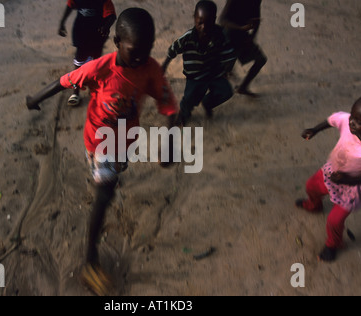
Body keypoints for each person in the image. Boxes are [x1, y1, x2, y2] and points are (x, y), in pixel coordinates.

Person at [26, 8, 179, 295]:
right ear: (117, 41)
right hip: (99, 142)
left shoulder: (150, 69)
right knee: (105, 193)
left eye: (147, 50)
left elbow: (169, 105)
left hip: (124, 143)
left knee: (114, 174)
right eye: (135, 50)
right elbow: (65, 81)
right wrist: (34, 99)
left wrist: (170, 142)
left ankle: (105, 179)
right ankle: (89, 262)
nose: (141, 57)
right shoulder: (101, 68)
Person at [296, 90, 361, 262]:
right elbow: (334, 119)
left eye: (358, 121)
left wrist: (347, 179)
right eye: (352, 116)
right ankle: (314, 205)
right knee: (311, 186)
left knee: (334, 222)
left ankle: (334, 244)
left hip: (352, 190)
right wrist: (315, 130)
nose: (351, 122)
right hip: (331, 172)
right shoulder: (348, 122)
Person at [162, 0, 236, 125]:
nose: (203, 27)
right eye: (200, 23)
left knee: (226, 92)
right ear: (195, 18)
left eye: (208, 23)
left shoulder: (220, 35)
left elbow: (229, 53)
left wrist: (227, 69)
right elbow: (173, 49)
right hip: (195, 76)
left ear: (214, 20)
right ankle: (184, 115)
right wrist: (164, 65)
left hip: (214, 73)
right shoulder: (188, 37)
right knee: (189, 99)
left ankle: (208, 103)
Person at [58, 0, 116, 106]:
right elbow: (70, 6)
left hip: (97, 34)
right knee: (79, 60)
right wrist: (62, 23)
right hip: (81, 31)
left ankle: (94, 88)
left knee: (96, 62)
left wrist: (106, 26)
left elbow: (112, 15)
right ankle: (76, 91)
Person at [218, 0, 267, 97]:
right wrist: (240, 28)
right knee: (224, 69)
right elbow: (222, 20)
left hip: (242, 36)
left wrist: (251, 37)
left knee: (261, 59)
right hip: (228, 35)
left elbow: (256, 20)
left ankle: (243, 87)